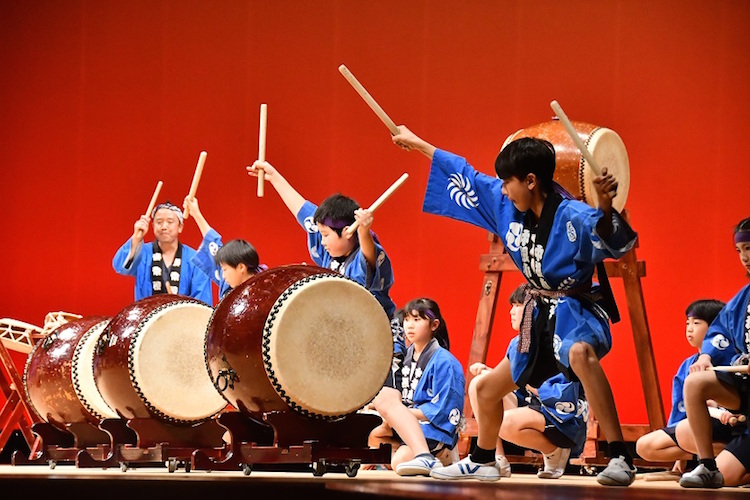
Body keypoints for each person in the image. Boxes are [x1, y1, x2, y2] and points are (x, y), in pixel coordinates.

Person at [390, 126, 638, 485]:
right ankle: (484, 459)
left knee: (580, 354)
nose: (502, 189)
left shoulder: (572, 215)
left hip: (574, 311)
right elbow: (467, 176)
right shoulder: (506, 204)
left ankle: (619, 456)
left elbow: (618, 241)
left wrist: (603, 207)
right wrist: (419, 144)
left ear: (532, 180)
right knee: (488, 388)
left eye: (508, 182)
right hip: (537, 315)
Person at [466, 285, 588, 480]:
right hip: (531, 409)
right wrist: (490, 375)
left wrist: (521, 382)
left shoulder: (557, 342)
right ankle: (494, 458)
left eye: (518, 305)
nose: (511, 311)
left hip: (561, 417)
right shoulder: (517, 342)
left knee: (505, 423)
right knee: (479, 386)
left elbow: (561, 392)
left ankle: (555, 451)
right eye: (511, 306)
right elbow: (509, 385)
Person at [246, 161, 395, 317]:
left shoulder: (360, 257)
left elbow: (369, 256)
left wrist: (364, 230)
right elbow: (301, 209)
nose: (322, 241)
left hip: (379, 331)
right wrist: (274, 176)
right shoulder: (330, 249)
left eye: (325, 235)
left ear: (347, 232)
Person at [679, 217, 750, 488]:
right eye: (739, 251)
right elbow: (720, 331)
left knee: (732, 477)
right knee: (695, 381)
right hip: (745, 390)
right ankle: (707, 466)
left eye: (749, 249)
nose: (744, 258)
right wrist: (706, 355)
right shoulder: (744, 296)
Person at [636, 299, 738, 474]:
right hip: (692, 428)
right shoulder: (687, 365)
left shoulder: (732, 360)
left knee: (686, 431)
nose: (689, 329)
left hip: (728, 425)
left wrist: (718, 407)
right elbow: (680, 408)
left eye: (696, 323)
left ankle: (732, 455)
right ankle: (713, 456)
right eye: (687, 323)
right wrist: (680, 459)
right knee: (644, 447)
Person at [367, 298, 465, 474]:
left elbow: (444, 410)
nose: (409, 326)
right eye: (407, 319)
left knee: (398, 462)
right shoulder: (405, 357)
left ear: (434, 325)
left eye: (417, 320)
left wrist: (399, 414)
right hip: (409, 424)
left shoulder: (446, 362)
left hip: (433, 429)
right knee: (373, 435)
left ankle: (443, 456)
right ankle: (408, 454)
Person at [112, 201, 212, 305]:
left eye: (170, 222)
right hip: (147, 319)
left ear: (180, 227)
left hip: (183, 319)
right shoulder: (142, 253)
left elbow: (202, 302)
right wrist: (136, 238)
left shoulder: (195, 259)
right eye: (159, 222)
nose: (164, 227)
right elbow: (120, 267)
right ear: (153, 226)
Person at [183, 197, 266, 300]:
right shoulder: (230, 283)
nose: (223, 275)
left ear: (241, 267)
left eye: (225, 270)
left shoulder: (264, 288)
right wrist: (196, 214)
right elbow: (213, 245)